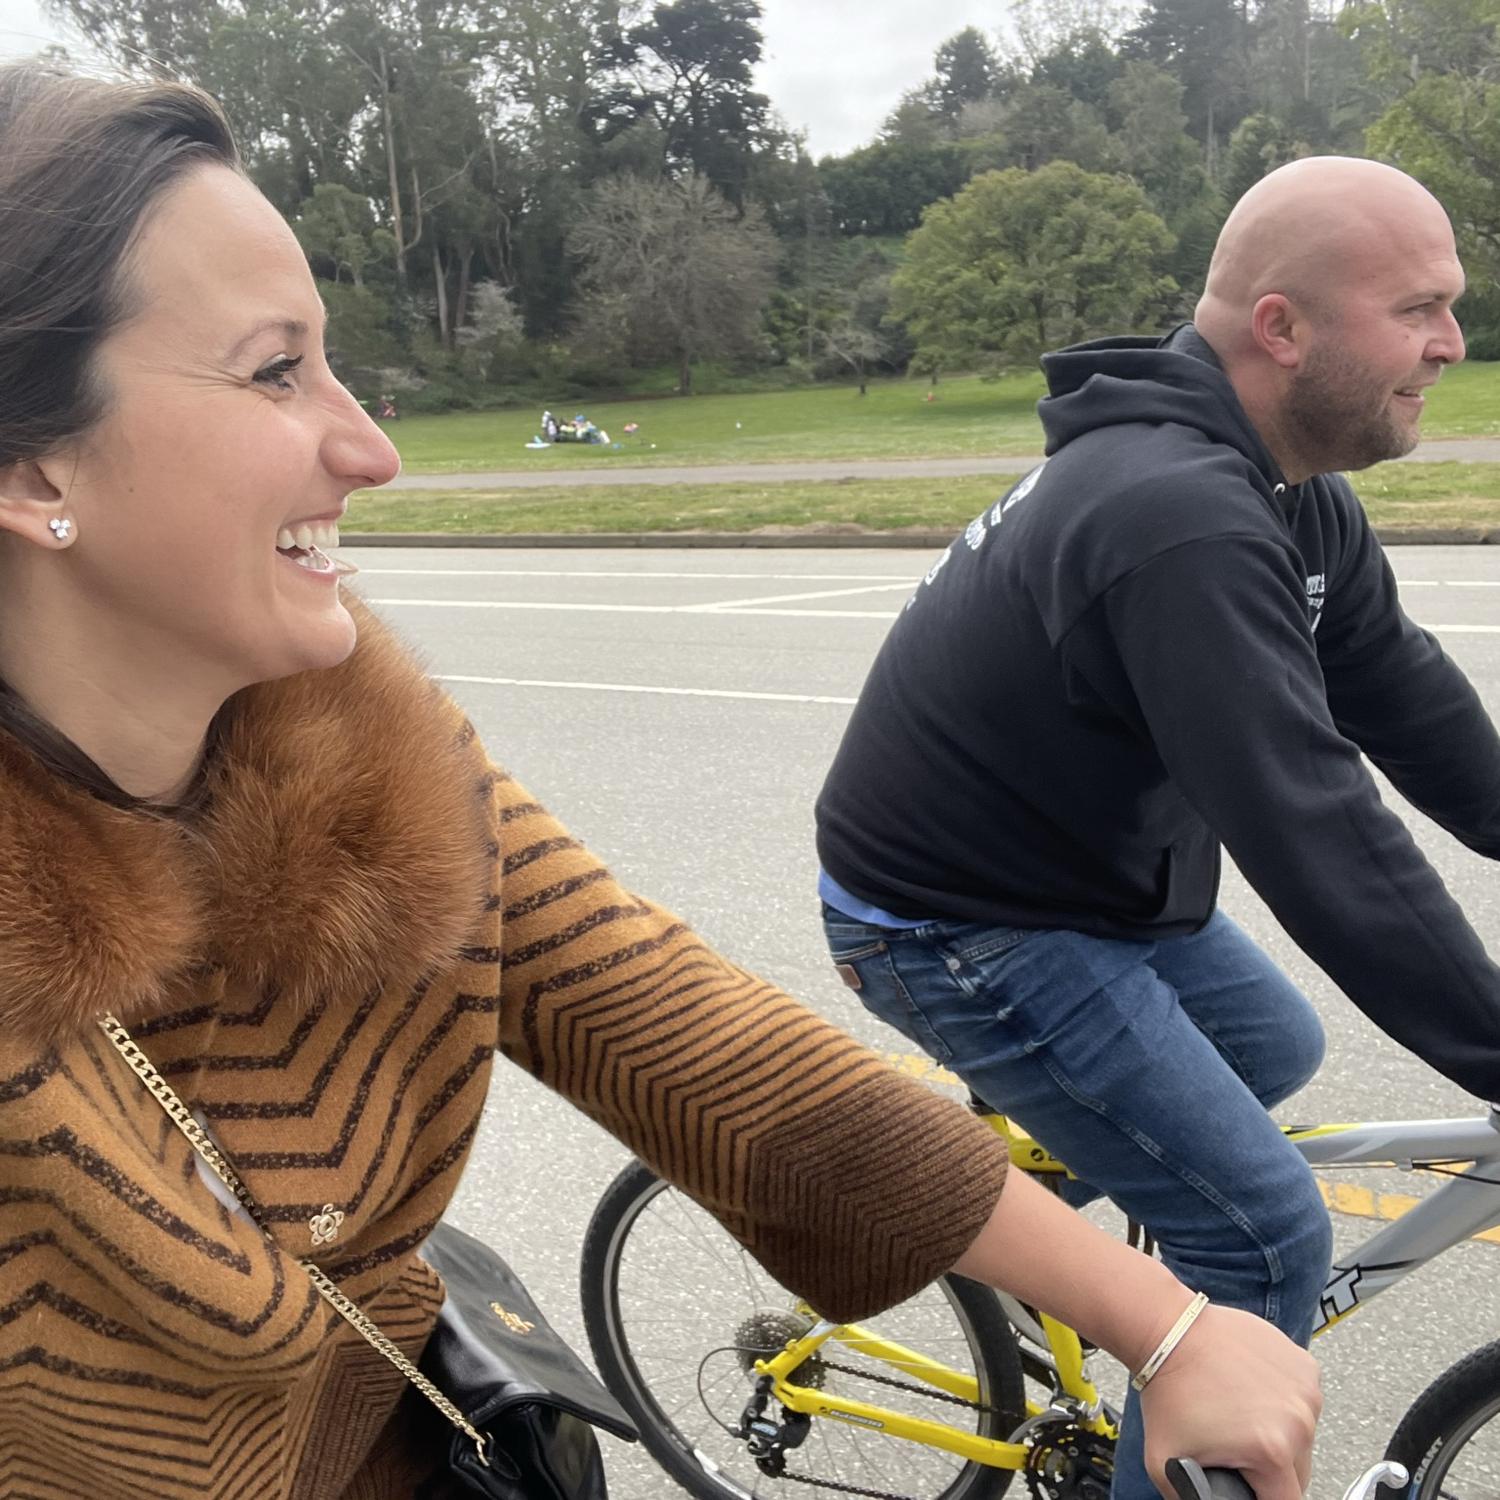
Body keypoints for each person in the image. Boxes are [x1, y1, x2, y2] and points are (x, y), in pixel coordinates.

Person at [0, 64, 1318, 1500]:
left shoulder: (358, 743)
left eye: (335, 362)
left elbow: (681, 1032)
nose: (368, 448)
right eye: (272, 370)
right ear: (28, 466)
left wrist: (1172, 1325)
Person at [815, 154, 1490, 1500]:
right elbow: (1318, 831)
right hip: (951, 922)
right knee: (1263, 1240)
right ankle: (1120, 1309)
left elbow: (1409, 706)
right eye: (1417, 307)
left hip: (1076, 887)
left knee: (1272, 1044)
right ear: (1283, 329)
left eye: (1453, 305)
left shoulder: (1296, 498)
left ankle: (1026, 1225)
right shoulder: (1175, 516)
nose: (1454, 344)